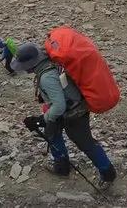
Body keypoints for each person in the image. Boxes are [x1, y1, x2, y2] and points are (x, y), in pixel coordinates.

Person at [13, 43, 117, 188]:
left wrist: (42, 119)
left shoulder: (46, 77)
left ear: (30, 64)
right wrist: (45, 120)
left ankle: (108, 174)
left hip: (74, 112)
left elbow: (59, 105)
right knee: (52, 133)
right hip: (69, 108)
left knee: (85, 143)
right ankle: (61, 167)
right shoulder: (49, 64)